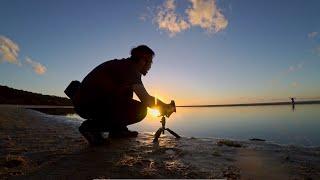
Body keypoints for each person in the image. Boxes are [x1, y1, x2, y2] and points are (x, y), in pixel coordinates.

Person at [70, 45, 175, 145]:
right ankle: (91, 127)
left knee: (127, 93)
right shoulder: (130, 69)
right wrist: (165, 107)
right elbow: (146, 100)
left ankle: (118, 130)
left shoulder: (124, 66)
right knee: (141, 110)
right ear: (143, 60)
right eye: (150, 62)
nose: (150, 66)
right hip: (88, 105)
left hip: (86, 103)